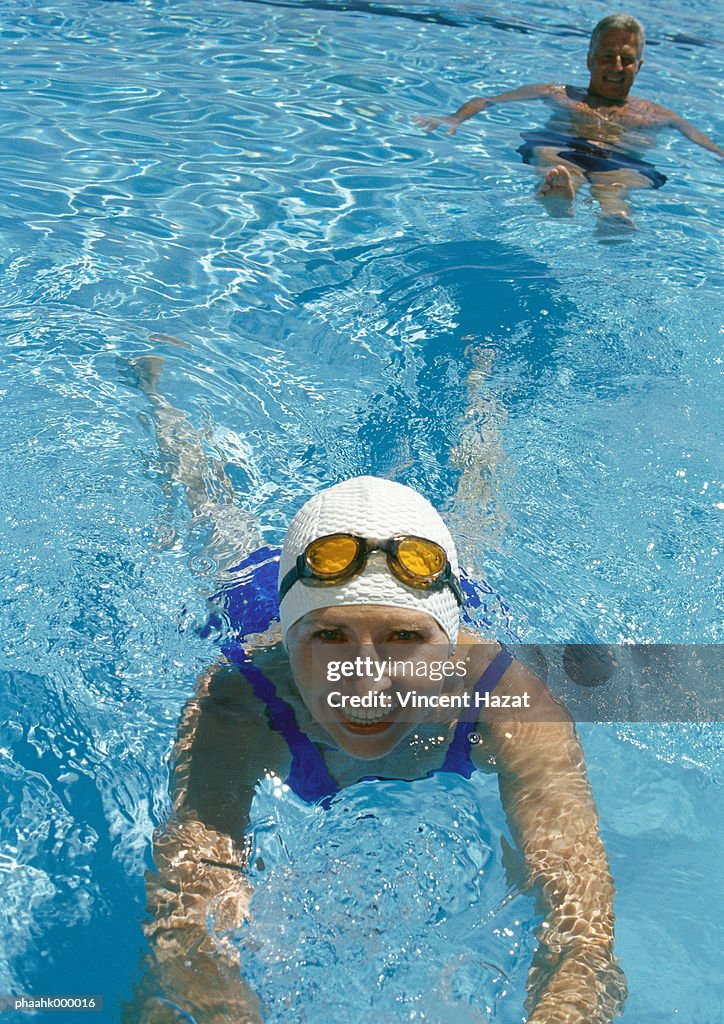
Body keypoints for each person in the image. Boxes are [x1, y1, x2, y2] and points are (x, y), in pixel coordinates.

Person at [126, 361, 626, 1024]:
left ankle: (485, 390)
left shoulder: (508, 701)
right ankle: (160, 400)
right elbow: (185, 927)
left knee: (477, 521)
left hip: (451, 601)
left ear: (447, 643)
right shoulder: (240, 703)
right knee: (217, 521)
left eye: (401, 640)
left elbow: (583, 934)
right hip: (252, 595)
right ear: (290, 636)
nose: (365, 678)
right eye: (330, 637)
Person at [416, 13, 723, 224]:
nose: (617, 67)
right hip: (563, 145)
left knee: (617, 184)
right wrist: (455, 118)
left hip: (620, 160)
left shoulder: (656, 114)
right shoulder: (558, 94)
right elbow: (490, 100)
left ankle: (614, 217)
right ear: (590, 60)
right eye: (607, 57)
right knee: (552, 157)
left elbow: (700, 139)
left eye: (626, 60)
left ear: (638, 66)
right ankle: (561, 196)